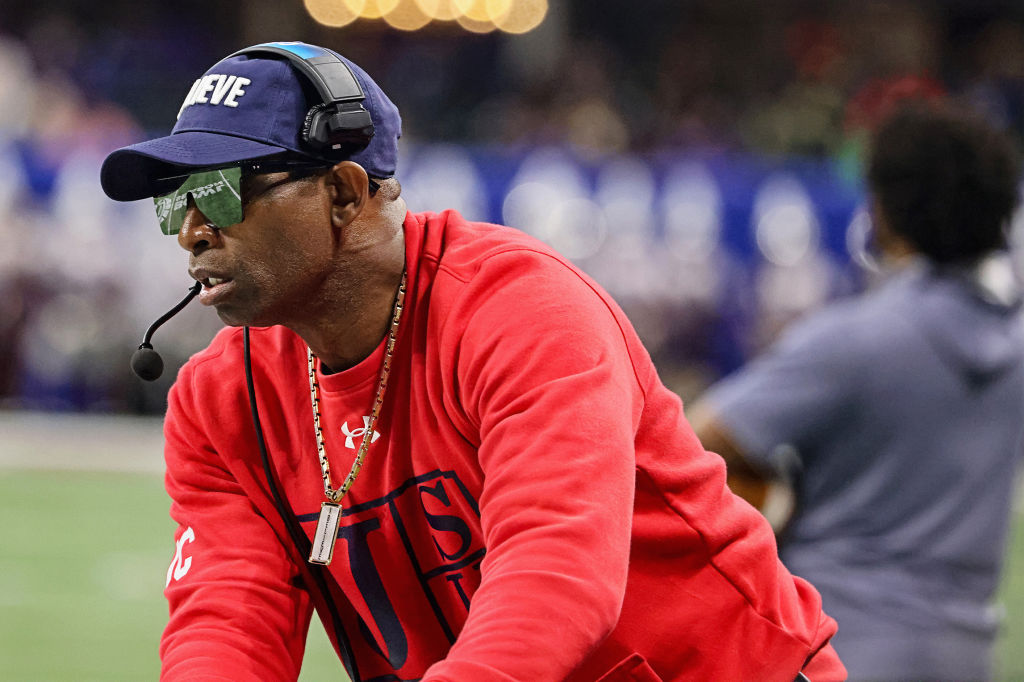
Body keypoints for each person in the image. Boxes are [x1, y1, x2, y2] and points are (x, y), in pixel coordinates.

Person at [100, 41, 845, 682]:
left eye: (220, 193)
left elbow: (554, 580)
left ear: (343, 191)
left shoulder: (519, 314)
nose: (190, 232)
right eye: (177, 202)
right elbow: (228, 621)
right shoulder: (220, 399)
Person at [690, 102, 1024, 682]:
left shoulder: (854, 340)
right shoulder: (1013, 341)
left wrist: (777, 501)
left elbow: (699, 441)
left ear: (888, 209)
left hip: (843, 643)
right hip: (966, 651)